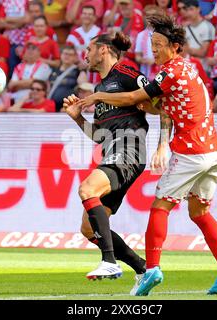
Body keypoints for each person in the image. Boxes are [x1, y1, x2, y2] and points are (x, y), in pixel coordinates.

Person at [75, 14, 217, 296]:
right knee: (199, 212)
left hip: (190, 150)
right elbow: (158, 105)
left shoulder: (167, 71)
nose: (154, 50)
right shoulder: (188, 69)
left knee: (159, 208)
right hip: (214, 150)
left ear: (175, 46)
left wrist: (97, 98)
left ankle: (149, 270)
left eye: (159, 45)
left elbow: (135, 99)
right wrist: (81, 116)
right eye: (152, 44)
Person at [62, 32, 151, 290]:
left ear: (103, 50)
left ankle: (109, 261)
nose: (85, 54)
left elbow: (155, 98)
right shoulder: (100, 88)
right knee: (89, 229)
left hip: (130, 148)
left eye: (89, 49)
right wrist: (78, 118)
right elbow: (99, 136)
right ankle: (143, 268)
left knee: (87, 189)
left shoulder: (126, 72)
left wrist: (164, 143)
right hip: (114, 149)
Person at [178, 0, 215, 72]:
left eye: (191, 9)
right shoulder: (184, 28)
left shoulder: (207, 26)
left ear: (198, 9)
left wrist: (186, 49)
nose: (189, 12)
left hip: (202, 69)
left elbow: (203, 52)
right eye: (187, 10)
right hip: (187, 68)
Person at [48, 45, 86, 112]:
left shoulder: (78, 71)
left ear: (75, 57)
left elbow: (83, 85)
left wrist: (82, 70)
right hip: (51, 108)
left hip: (67, 108)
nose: (67, 56)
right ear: (61, 55)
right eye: (65, 53)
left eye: (70, 55)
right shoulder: (53, 70)